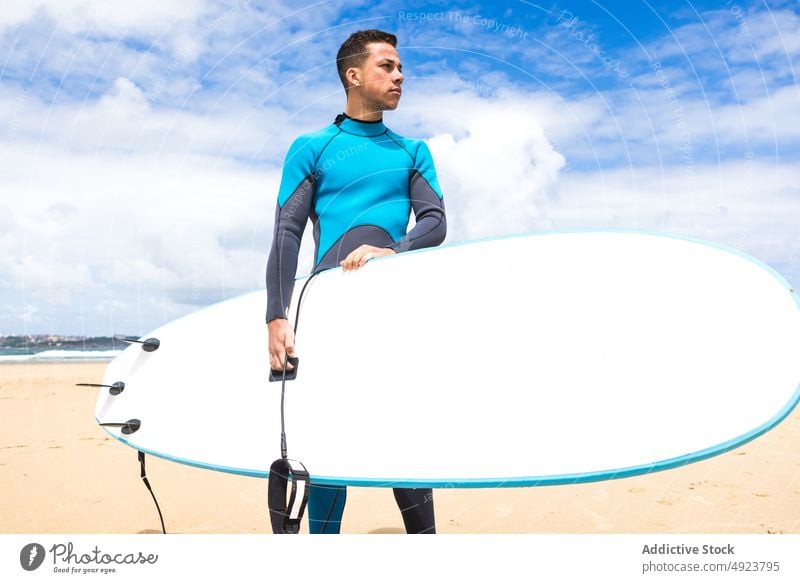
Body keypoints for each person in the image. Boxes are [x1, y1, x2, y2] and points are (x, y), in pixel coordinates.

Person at [265, 29, 446, 534]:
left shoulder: (412, 150)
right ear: (353, 75)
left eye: (400, 67)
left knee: (403, 441)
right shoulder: (314, 148)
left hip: (396, 316)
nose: (400, 76)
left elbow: (435, 222)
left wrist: (393, 250)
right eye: (387, 66)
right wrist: (276, 316)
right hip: (328, 317)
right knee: (327, 446)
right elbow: (286, 233)